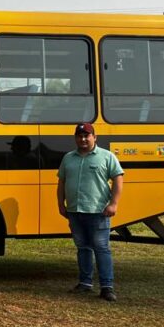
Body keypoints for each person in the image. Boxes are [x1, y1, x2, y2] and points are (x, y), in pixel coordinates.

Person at [57, 123, 124, 302]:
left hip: (98, 212)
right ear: (75, 138)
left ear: (95, 137)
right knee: (82, 248)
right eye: (80, 136)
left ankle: (107, 287)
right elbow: (61, 182)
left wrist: (114, 204)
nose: (83, 139)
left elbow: (118, 179)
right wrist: (60, 204)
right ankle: (85, 283)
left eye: (87, 135)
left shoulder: (107, 157)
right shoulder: (68, 158)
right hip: (75, 211)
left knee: (101, 248)